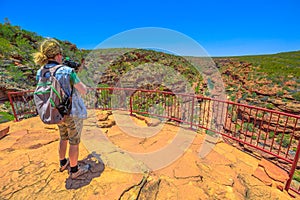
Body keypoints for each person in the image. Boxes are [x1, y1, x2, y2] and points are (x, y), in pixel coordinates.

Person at [33, 38, 89, 179]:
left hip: (55, 112)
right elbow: (83, 90)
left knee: (63, 137)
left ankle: (63, 162)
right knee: (74, 141)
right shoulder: (67, 71)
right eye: (61, 55)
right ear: (57, 55)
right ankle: (75, 170)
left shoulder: (41, 72)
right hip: (71, 113)